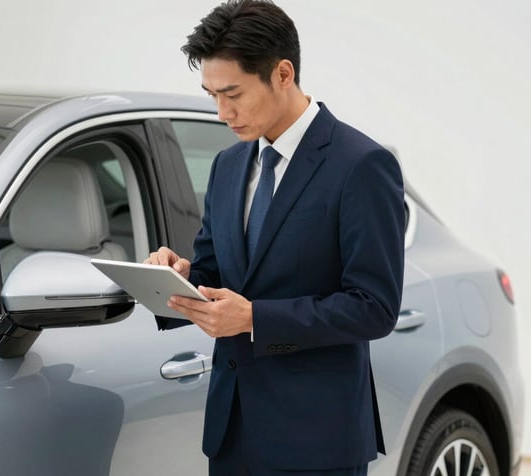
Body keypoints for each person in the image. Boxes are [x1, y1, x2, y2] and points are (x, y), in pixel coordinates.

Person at [144, 1, 405, 475]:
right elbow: (217, 274)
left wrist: (254, 319)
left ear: (283, 73)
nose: (223, 113)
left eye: (233, 94)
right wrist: (178, 278)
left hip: (317, 440)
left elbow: (374, 307)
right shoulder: (227, 166)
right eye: (211, 95)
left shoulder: (360, 166)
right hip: (232, 431)